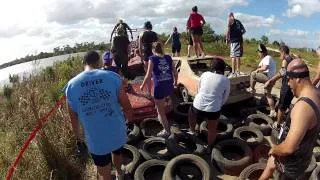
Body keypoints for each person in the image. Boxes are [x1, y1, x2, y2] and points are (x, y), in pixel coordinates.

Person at [64, 51, 133, 180]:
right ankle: (119, 173)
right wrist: (129, 122)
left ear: (83, 63)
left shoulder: (71, 86)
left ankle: (112, 175)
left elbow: (74, 120)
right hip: (117, 131)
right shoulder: (113, 77)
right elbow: (127, 106)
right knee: (117, 153)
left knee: (103, 172)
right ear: (99, 62)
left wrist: (79, 140)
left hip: (95, 139)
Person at [259, 59, 320, 180]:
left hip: (291, 165)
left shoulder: (303, 107)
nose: (287, 84)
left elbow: (289, 148)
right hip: (304, 158)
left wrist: (274, 150)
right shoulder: (317, 93)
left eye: (288, 79)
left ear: (297, 79)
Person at [188, 59, 230, 148]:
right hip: (214, 109)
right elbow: (225, 97)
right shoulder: (226, 80)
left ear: (212, 67)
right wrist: (218, 105)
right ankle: (209, 147)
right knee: (212, 130)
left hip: (198, 105)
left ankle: (192, 131)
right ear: (222, 68)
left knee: (191, 115)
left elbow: (198, 90)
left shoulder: (205, 74)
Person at [140, 42, 178, 137]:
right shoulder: (168, 57)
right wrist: (176, 82)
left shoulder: (152, 58)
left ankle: (166, 131)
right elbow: (175, 72)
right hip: (169, 86)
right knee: (161, 106)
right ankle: (163, 109)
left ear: (153, 50)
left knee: (161, 112)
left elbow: (148, 75)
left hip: (159, 88)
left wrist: (142, 85)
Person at [264, 45, 294, 124]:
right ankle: (282, 118)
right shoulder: (292, 59)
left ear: (283, 52)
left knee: (282, 106)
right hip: (292, 86)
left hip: (286, 86)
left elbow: (282, 72)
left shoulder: (285, 60)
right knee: (285, 103)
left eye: (280, 53)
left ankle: (277, 124)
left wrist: (270, 81)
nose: (280, 55)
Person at [250, 44, 277, 117]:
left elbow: (264, 68)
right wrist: (256, 68)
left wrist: (256, 70)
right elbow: (259, 67)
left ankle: (252, 89)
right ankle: (273, 110)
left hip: (268, 78)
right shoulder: (265, 59)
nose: (258, 54)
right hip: (271, 79)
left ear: (262, 52)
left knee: (253, 74)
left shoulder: (267, 57)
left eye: (258, 52)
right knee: (268, 95)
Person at [139, 21, 158, 94]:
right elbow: (158, 46)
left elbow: (140, 47)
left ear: (145, 27)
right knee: (156, 73)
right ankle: (158, 90)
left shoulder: (142, 34)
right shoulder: (154, 34)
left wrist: (141, 57)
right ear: (151, 26)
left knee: (148, 74)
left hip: (146, 54)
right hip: (155, 54)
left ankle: (149, 93)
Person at [226, 12, 246, 77]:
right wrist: (239, 35)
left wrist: (227, 39)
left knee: (233, 56)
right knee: (238, 56)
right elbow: (244, 31)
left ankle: (233, 72)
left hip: (234, 41)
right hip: (240, 40)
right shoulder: (238, 21)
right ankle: (238, 72)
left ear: (230, 16)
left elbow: (228, 31)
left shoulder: (230, 21)